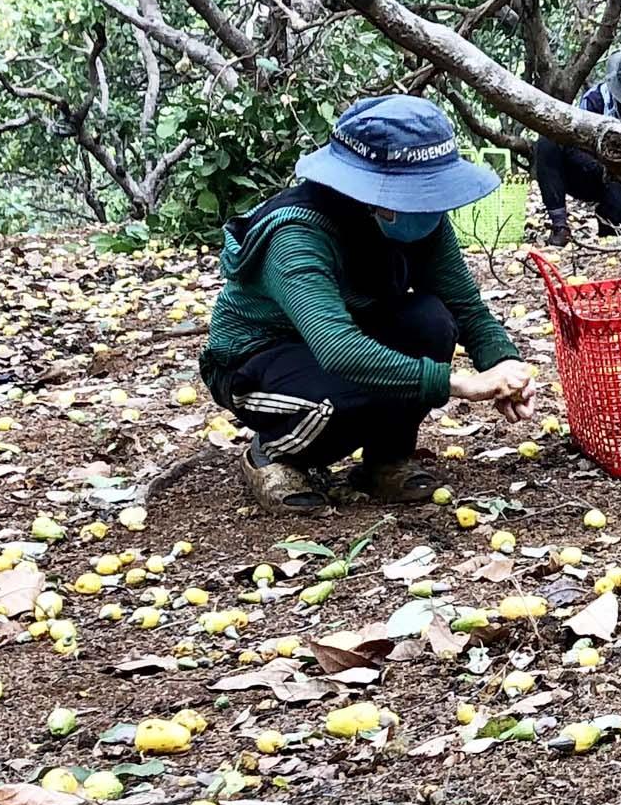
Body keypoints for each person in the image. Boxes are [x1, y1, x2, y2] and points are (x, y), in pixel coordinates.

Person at [201, 94, 540, 513]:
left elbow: (465, 307)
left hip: (350, 336)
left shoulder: (419, 221)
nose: (429, 206)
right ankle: (275, 453)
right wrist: (458, 384)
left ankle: (386, 461)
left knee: (431, 322)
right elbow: (339, 349)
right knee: (347, 391)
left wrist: (505, 366)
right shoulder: (296, 236)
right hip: (259, 363)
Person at [534, 48, 621, 244]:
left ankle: (608, 219)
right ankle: (560, 226)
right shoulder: (595, 101)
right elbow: (575, 144)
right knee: (548, 142)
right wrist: (604, 169)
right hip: (592, 173)